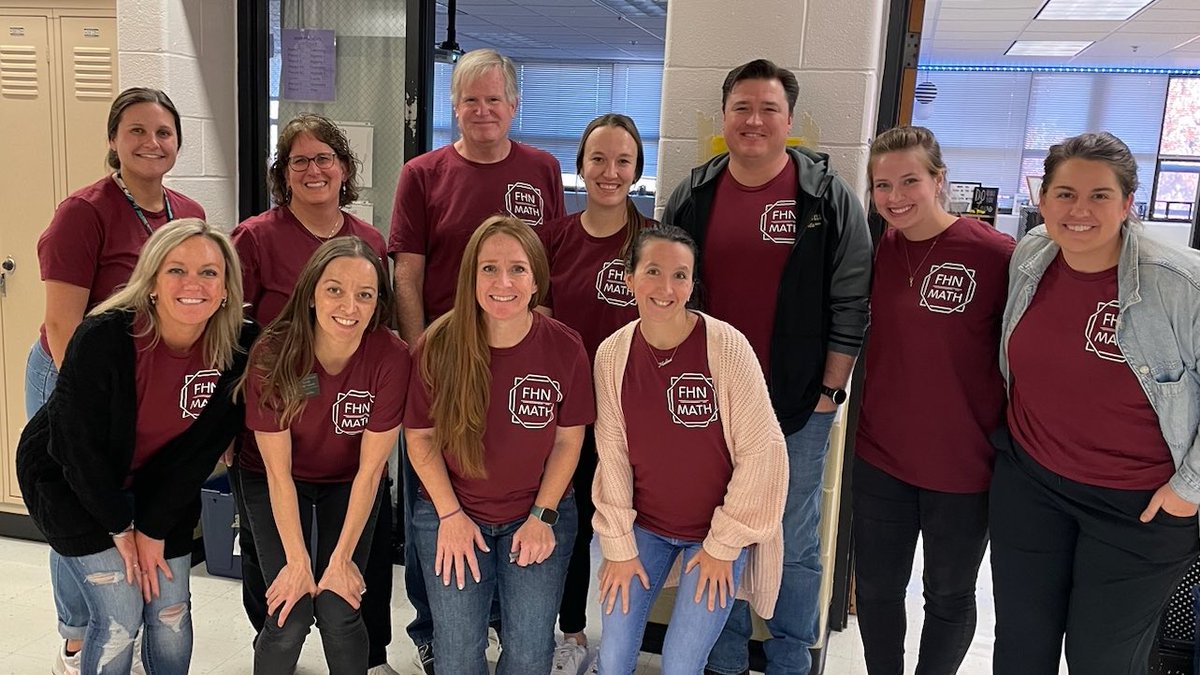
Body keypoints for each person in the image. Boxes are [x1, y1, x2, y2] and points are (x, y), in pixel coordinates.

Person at [661, 58, 872, 675]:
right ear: (725, 116)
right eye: (742, 108)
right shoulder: (694, 194)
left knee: (794, 541)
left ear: (789, 121)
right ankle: (724, 661)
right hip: (710, 402)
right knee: (715, 535)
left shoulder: (827, 198)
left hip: (799, 402)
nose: (754, 121)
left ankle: (789, 661)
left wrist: (831, 389)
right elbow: (669, 295)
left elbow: (851, 299)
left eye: (768, 109)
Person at [991, 131, 1200, 673]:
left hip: (1139, 507)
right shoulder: (1032, 257)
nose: (1078, 210)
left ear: (1129, 203)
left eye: (1100, 195)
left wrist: (1188, 491)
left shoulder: (1180, 283)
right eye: (1064, 194)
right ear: (1041, 199)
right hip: (1032, 486)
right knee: (1020, 646)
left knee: (1102, 658)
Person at [388, 47, 565, 671]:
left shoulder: (542, 167)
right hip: (447, 365)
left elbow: (544, 266)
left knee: (513, 488)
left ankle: (501, 622)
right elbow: (405, 275)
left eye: (494, 99)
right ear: (453, 107)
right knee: (432, 504)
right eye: (470, 99)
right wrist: (419, 354)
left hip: (519, 361)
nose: (482, 110)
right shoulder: (423, 174)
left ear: (514, 107)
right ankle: (435, 628)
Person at [17, 218, 255, 675]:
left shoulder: (238, 347)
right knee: (121, 616)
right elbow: (74, 446)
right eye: (176, 270)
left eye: (209, 273)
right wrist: (120, 526)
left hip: (158, 487)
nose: (193, 284)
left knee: (170, 615)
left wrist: (152, 526)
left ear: (226, 288)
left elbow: (197, 455)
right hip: (70, 482)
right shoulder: (103, 337)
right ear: (150, 283)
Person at [28, 87, 205, 672]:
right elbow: (62, 324)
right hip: (74, 375)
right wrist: (95, 406)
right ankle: (77, 633)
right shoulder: (86, 211)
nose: (151, 143)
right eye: (136, 131)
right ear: (112, 140)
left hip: (150, 378)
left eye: (163, 133)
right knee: (80, 495)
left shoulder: (188, 213)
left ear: (178, 142)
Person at [231, 113, 398, 675]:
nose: (313, 169)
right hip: (278, 413)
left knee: (345, 589)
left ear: (344, 168)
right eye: (299, 160)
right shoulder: (255, 238)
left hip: (344, 441)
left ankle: (367, 658)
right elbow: (232, 333)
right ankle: (281, 635)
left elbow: (379, 335)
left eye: (324, 157)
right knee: (283, 590)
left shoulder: (368, 242)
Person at [591, 225, 788, 674]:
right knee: (614, 654)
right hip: (647, 529)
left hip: (715, 533)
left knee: (682, 662)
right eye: (653, 272)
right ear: (629, 278)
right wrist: (618, 547)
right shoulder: (611, 355)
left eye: (680, 276)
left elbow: (764, 451)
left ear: (692, 283)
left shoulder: (727, 347)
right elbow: (614, 456)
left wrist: (723, 546)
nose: (666, 288)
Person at [852, 126, 1014, 674]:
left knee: (947, 595)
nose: (895, 197)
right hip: (882, 458)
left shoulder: (995, 255)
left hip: (964, 464)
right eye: (882, 185)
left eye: (909, 181)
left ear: (938, 180)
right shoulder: (880, 250)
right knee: (875, 590)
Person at [404, 216, 593, 674]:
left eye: (517, 269)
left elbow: (570, 441)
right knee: (458, 653)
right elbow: (421, 437)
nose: (502, 282)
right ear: (470, 276)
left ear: (536, 281)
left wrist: (542, 515)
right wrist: (449, 516)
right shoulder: (439, 343)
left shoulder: (564, 347)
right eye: (488, 268)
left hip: (537, 514)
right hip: (453, 512)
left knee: (530, 655)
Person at [537, 112, 654, 673]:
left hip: (633, 414)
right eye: (599, 159)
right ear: (581, 166)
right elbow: (535, 326)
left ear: (637, 169)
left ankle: (623, 642)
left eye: (623, 160)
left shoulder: (652, 242)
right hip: (565, 415)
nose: (610, 171)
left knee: (626, 525)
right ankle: (572, 634)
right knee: (570, 522)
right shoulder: (554, 237)